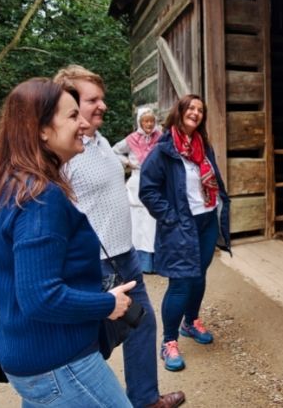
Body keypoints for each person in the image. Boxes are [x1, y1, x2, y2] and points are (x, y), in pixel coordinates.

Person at [0, 78, 136, 407]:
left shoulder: (10, 186)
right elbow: (39, 298)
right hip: (59, 364)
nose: (83, 123)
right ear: (43, 130)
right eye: (73, 116)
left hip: (30, 361)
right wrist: (107, 304)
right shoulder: (40, 199)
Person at [53, 66, 185, 408]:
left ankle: (145, 399)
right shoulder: (62, 153)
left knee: (142, 323)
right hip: (93, 264)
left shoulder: (99, 142)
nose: (102, 106)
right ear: (68, 104)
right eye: (92, 99)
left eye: (102, 99)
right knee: (91, 342)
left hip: (124, 256)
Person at [140, 94, 231, 372]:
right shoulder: (164, 150)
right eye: (191, 108)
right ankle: (168, 342)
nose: (196, 112)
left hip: (206, 221)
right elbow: (148, 189)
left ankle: (190, 323)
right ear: (179, 112)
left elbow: (213, 178)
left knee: (199, 275)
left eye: (200, 109)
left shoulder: (203, 146)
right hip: (182, 224)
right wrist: (170, 217)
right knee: (181, 282)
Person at [113, 106, 161, 273]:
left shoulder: (160, 138)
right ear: (140, 122)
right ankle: (138, 262)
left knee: (152, 221)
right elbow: (115, 152)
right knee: (137, 220)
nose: (149, 124)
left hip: (155, 182)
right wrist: (128, 163)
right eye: (146, 121)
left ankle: (153, 262)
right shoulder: (131, 139)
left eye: (151, 121)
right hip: (137, 181)